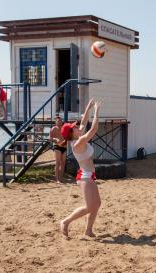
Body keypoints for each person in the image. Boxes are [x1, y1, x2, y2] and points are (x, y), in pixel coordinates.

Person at [60, 98, 101, 238]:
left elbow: (83, 122)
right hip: (85, 177)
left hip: (89, 175)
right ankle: (66, 221)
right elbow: (94, 129)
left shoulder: (76, 137)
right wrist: (96, 112)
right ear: (72, 133)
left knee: (97, 204)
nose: (78, 127)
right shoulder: (78, 143)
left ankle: (88, 230)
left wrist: (88, 108)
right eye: (74, 127)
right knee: (90, 206)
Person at [49, 116, 67, 184]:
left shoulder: (64, 128)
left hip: (64, 147)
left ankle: (60, 178)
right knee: (58, 162)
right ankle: (57, 179)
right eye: (58, 121)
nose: (60, 122)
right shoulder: (53, 128)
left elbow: (68, 136)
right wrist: (55, 139)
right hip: (57, 146)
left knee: (63, 163)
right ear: (55, 122)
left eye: (60, 121)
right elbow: (50, 138)